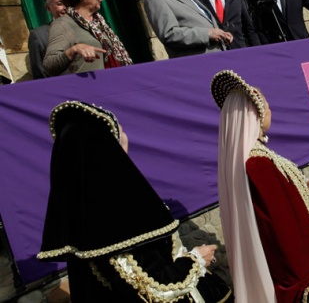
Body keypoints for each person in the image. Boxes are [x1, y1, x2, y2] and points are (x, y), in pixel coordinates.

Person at [38, 101, 233, 302]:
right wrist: (195, 261)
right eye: (118, 136)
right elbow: (155, 289)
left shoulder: (81, 209)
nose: (125, 140)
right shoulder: (116, 213)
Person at [211, 70, 309, 302]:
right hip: (304, 276)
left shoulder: (252, 161)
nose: (271, 112)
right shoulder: (258, 164)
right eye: (268, 108)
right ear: (257, 114)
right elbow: (283, 231)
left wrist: (302, 190)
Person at [43, 0, 133, 76]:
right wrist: (74, 49)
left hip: (119, 83)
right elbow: (49, 65)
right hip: (93, 90)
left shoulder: (99, 23)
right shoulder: (64, 24)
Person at [28, 0, 66, 79]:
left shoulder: (88, 28)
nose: (66, 7)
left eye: (69, 2)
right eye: (60, 3)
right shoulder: (39, 36)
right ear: (48, 8)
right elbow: (40, 75)